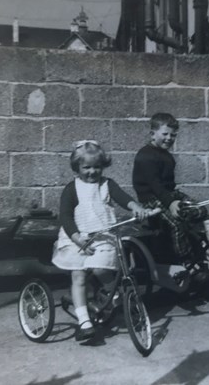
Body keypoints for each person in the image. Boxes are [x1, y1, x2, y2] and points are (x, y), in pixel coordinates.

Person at [52, 140, 150, 342]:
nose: (92, 172)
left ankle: (111, 293)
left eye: (97, 167)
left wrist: (135, 207)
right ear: (77, 167)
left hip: (103, 236)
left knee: (101, 269)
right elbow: (65, 216)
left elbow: (123, 198)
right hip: (77, 238)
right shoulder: (72, 189)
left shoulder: (107, 185)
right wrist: (77, 237)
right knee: (78, 276)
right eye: (86, 167)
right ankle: (84, 322)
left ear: (103, 166)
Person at [132, 113, 208, 283]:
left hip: (167, 194)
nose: (169, 138)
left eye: (173, 135)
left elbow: (168, 186)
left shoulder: (166, 155)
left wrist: (176, 198)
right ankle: (186, 260)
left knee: (200, 210)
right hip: (151, 197)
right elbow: (155, 185)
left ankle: (193, 245)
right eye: (164, 134)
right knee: (175, 223)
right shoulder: (146, 155)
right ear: (153, 134)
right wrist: (171, 202)